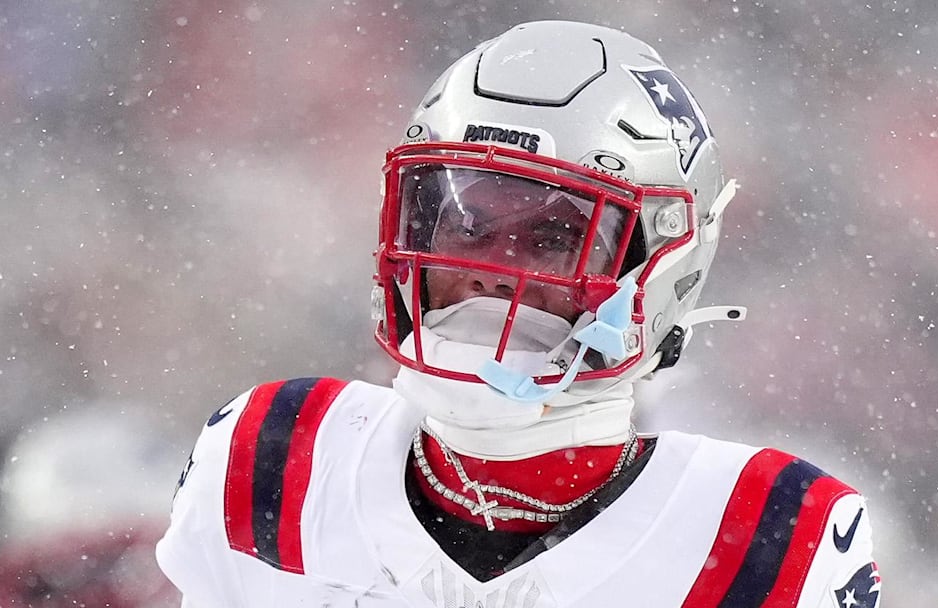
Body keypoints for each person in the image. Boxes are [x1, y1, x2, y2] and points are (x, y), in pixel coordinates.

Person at [156, 20, 881, 607]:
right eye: (467, 224)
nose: (492, 273)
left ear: (662, 265)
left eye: (556, 237)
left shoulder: (771, 538)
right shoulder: (273, 457)